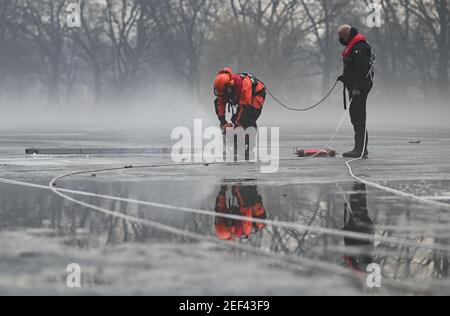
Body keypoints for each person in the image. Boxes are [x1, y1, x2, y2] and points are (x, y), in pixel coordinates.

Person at [337, 25, 374, 158]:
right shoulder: (355, 45)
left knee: (358, 118)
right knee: (355, 116)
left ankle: (361, 149)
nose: (340, 39)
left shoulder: (359, 46)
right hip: (355, 87)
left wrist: (357, 87)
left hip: (359, 88)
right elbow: (353, 69)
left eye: (341, 37)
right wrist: (345, 78)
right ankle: (359, 147)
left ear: (347, 34)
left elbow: (361, 69)